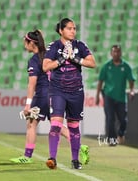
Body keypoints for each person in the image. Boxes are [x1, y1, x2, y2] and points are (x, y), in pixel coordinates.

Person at [42, 18, 96, 169]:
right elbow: (45, 67)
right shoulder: (54, 46)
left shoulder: (80, 45)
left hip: (76, 92)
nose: (73, 31)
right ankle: (52, 158)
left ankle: (75, 160)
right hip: (57, 90)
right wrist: (61, 59)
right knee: (56, 124)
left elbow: (92, 63)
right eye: (69, 28)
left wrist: (74, 58)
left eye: (74, 28)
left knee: (73, 126)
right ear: (61, 30)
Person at [9, 30, 70, 163]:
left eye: (26, 41)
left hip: (42, 95)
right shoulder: (49, 56)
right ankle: (80, 146)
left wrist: (27, 104)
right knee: (57, 125)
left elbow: (32, 84)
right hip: (55, 95)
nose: (24, 44)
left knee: (31, 123)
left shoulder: (34, 60)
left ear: (32, 43)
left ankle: (27, 156)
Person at [95, 45, 135, 146]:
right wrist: (97, 95)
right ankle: (111, 140)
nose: (116, 54)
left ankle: (121, 134)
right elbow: (100, 81)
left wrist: (132, 91)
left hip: (121, 97)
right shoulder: (106, 66)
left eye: (118, 52)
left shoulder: (126, 66)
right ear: (111, 53)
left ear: (120, 53)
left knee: (123, 120)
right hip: (109, 95)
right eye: (114, 52)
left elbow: (131, 80)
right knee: (110, 118)